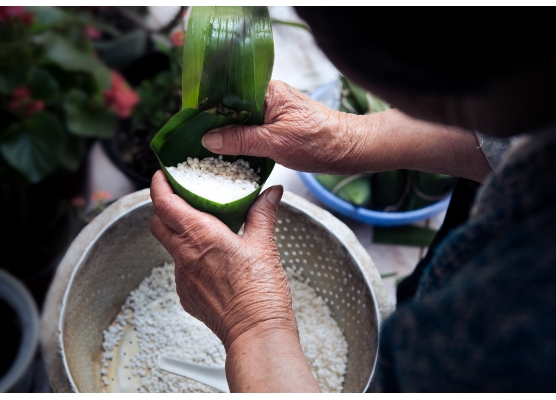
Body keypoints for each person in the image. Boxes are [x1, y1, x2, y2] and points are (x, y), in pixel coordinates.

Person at [149, 8, 556, 392]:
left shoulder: (506, 330)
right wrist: (350, 139)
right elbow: (510, 120)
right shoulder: (532, 87)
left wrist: (251, 325)